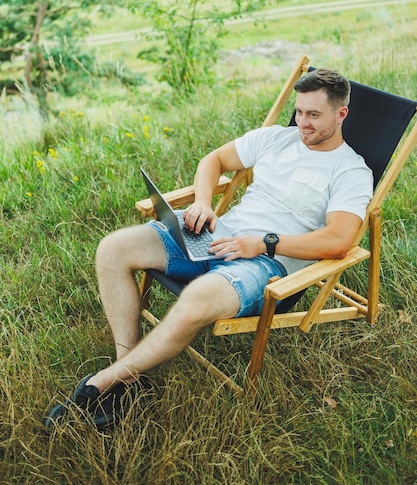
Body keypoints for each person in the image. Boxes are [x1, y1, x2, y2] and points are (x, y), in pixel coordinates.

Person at [44, 68, 373, 430]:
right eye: (299, 111)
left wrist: (265, 244)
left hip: (266, 264)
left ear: (341, 114)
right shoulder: (276, 138)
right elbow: (212, 161)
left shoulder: (350, 171)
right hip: (218, 232)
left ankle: (104, 382)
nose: (302, 123)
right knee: (113, 248)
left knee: (198, 298)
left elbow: (339, 240)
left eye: (314, 115)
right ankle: (129, 376)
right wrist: (203, 203)